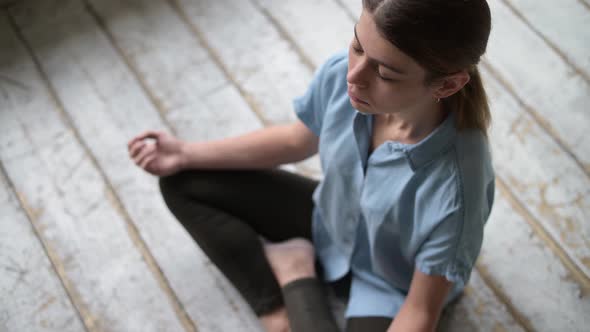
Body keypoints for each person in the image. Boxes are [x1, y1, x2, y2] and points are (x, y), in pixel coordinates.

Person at [127, 0, 495, 331]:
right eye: (357, 46)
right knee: (183, 180)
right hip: (329, 223)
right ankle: (277, 308)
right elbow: (295, 141)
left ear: (446, 86)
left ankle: (294, 276)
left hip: (390, 288)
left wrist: (301, 286)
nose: (354, 76)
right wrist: (185, 153)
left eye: (384, 74)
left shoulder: (458, 189)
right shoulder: (345, 78)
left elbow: (420, 312)